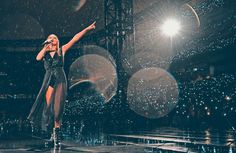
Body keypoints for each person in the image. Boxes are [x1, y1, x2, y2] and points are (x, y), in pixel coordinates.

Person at [28, 22, 96, 148]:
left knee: (58, 109)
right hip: (49, 79)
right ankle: (51, 135)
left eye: (54, 38)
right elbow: (37, 58)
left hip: (59, 78)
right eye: (50, 37)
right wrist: (45, 47)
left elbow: (75, 38)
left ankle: (57, 136)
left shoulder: (61, 50)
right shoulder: (45, 53)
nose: (52, 39)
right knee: (48, 108)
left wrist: (87, 29)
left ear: (57, 41)